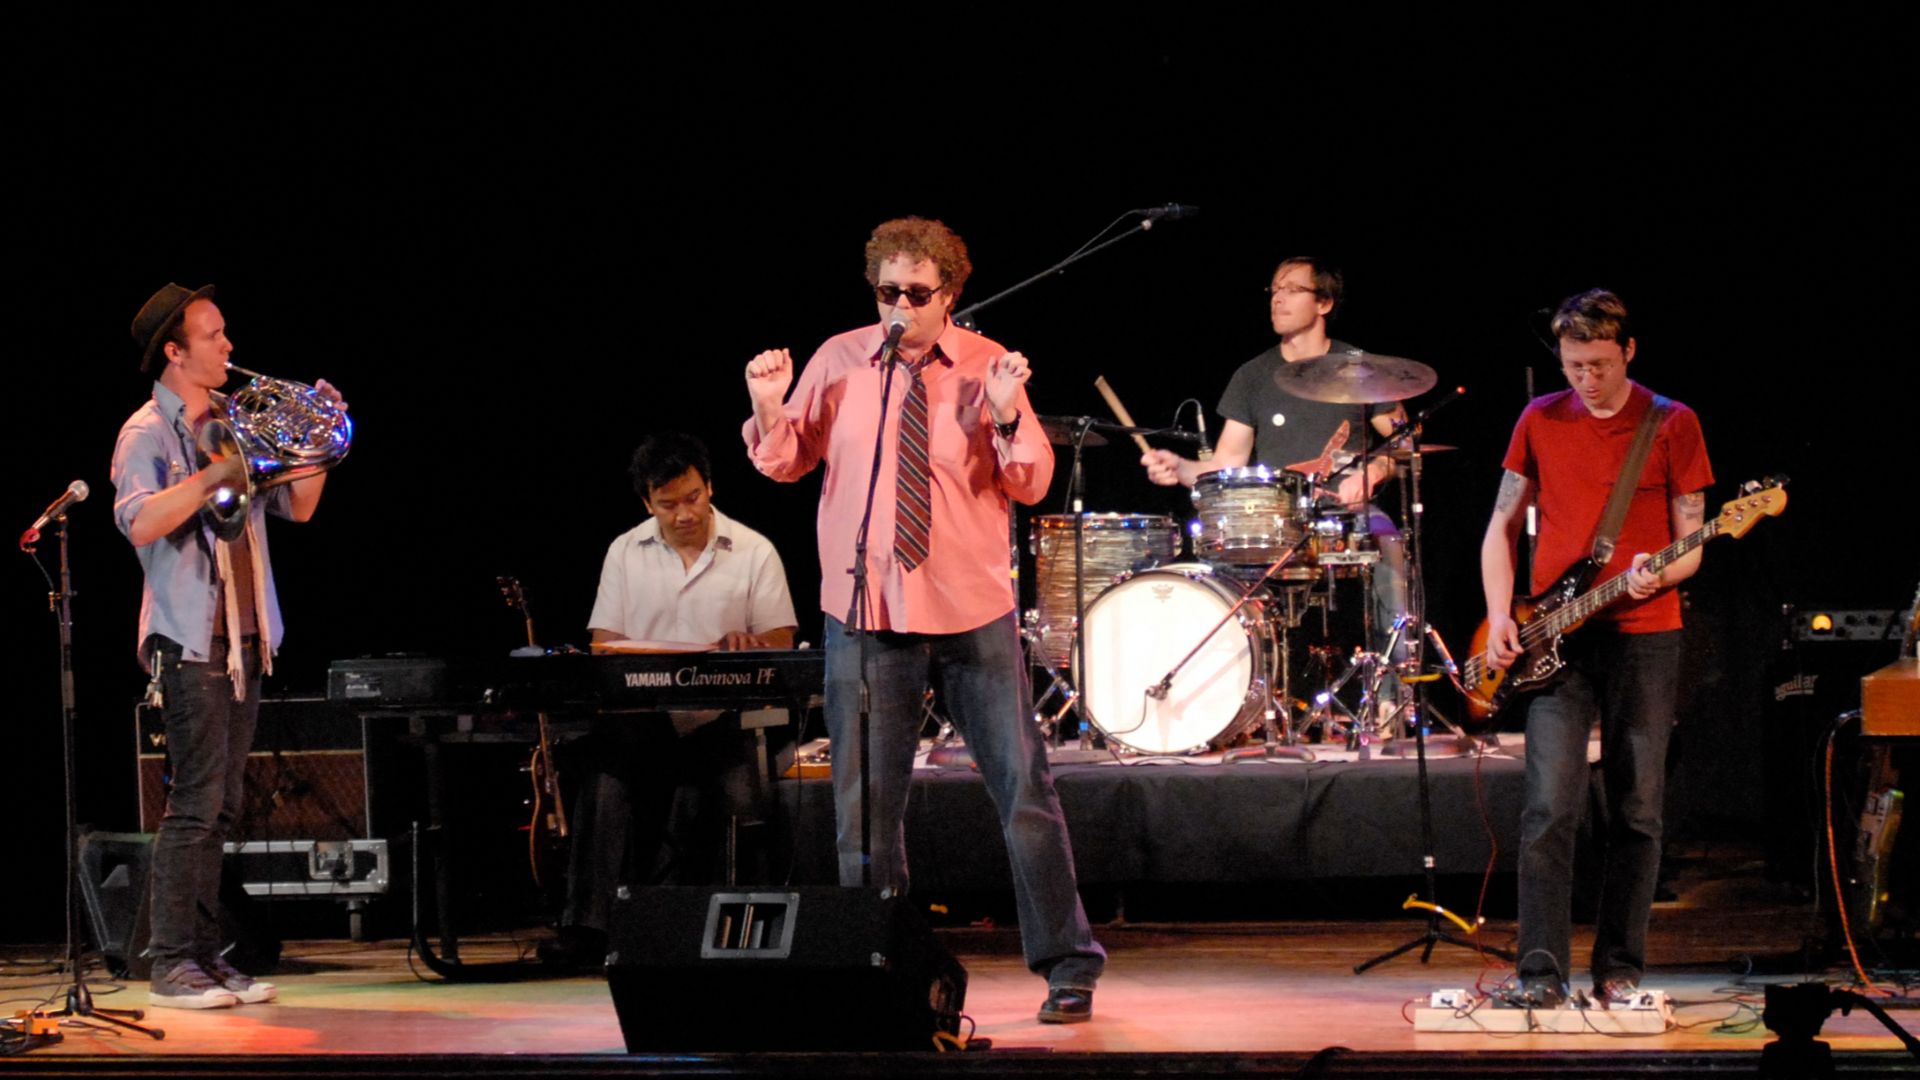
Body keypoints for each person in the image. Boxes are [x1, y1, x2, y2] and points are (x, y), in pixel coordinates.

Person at [743, 217, 1106, 1023]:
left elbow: (1033, 481)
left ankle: (1068, 962)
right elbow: (782, 463)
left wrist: (1009, 414)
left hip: (971, 608)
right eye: (886, 293)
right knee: (865, 810)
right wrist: (769, 407)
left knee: (1023, 794)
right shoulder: (840, 358)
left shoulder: (987, 364)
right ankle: (878, 964)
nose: (899, 308)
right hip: (867, 613)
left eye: (916, 293)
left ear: (950, 293)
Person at [111, 283, 344, 1008]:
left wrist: (320, 442)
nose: (229, 347)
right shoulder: (147, 432)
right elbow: (138, 523)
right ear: (175, 352)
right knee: (196, 805)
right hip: (189, 639)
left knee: (223, 807)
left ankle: (206, 957)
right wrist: (214, 476)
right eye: (214, 336)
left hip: (245, 637)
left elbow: (300, 509)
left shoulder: (235, 428)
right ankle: (170, 961)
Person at [1480, 288, 1712, 1006]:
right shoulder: (1539, 418)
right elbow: (1501, 527)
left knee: (1637, 810)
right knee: (1550, 808)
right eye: (1575, 364)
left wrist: (1658, 575)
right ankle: (1540, 973)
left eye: (1601, 365)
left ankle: (1620, 967)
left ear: (1629, 351)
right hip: (1556, 640)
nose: (1587, 379)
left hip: (1646, 635)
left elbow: (1692, 541)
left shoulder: (1672, 422)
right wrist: (1499, 614)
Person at [542, 432, 798, 966]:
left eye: (693, 498)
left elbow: (782, 643)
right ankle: (588, 929)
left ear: (710, 487)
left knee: (743, 795)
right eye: (668, 504)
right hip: (644, 721)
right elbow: (604, 646)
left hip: (725, 717)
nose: (684, 514)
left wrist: (749, 646)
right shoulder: (624, 551)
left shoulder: (754, 551)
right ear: (647, 503)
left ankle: (733, 928)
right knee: (605, 777)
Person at [1142, 256, 1410, 681]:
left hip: (1345, 517)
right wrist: (1181, 467)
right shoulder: (1253, 375)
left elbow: (1406, 443)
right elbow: (1228, 462)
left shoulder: (1360, 369)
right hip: (1275, 520)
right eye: (1274, 290)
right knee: (1216, 570)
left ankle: (1392, 701)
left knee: (1388, 543)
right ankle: (1237, 701)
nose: (1278, 299)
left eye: (1291, 290)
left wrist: (1374, 471)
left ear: (1323, 303)